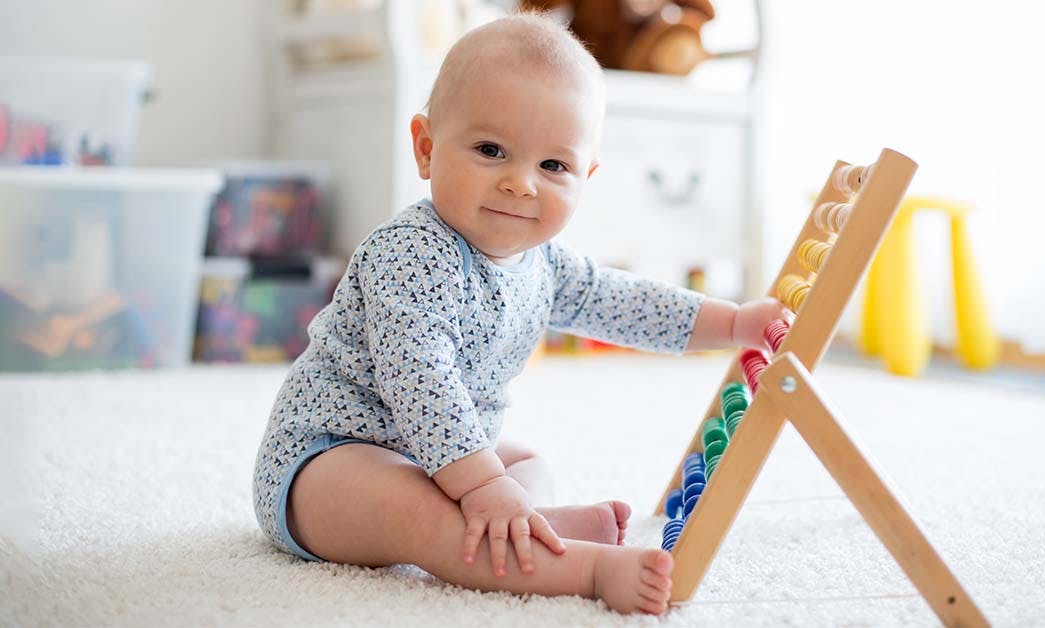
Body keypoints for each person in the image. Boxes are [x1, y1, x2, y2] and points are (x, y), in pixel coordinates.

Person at [251, 12, 787, 615]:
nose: (520, 184)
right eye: (491, 150)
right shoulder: (409, 253)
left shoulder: (545, 262)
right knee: (425, 521)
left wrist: (734, 322)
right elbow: (420, 381)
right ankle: (584, 570)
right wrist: (481, 486)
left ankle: (530, 524)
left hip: (443, 456)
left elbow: (628, 304)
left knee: (526, 460)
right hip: (326, 462)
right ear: (427, 149)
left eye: (552, 166)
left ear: (586, 176)